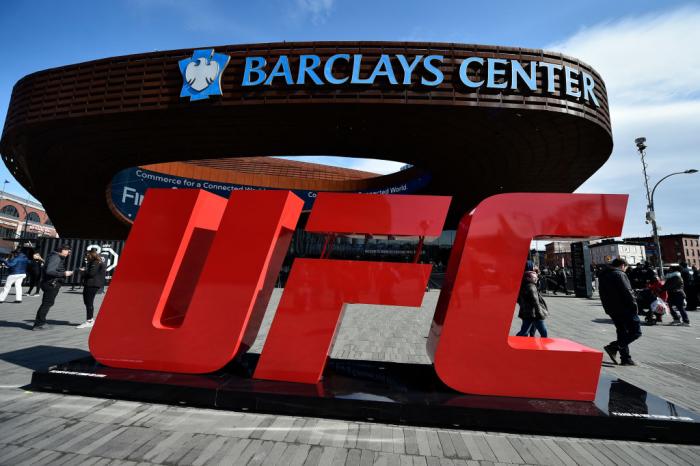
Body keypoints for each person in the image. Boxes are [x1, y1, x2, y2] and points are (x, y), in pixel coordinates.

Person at [599, 258, 642, 366]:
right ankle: (613, 347)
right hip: (625, 308)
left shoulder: (603, 275)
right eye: (626, 268)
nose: (626, 270)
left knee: (622, 332)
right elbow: (627, 291)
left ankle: (626, 358)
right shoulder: (620, 274)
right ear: (622, 265)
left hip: (612, 309)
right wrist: (634, 306)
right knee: (636, 332)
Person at [32, 244, 73, 330]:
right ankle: (39, 324)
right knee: (47, 304)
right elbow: (50, 271)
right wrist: (64, 274)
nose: (68, 253)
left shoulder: (54, 256)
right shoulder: (56, 257)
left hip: (49, 283)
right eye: (67, 251)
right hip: (51, 284)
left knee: (47, 303)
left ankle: (40, 322)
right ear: (62, 250)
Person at [76, 250, 106, 328]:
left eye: (86, 255)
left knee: (88, 302)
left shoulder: (95, 262)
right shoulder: (97, 262)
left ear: (91, 255)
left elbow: (91, 274)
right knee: (88, 302)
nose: (85, 257)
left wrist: (81, 271)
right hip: (93, 284)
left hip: (91, 285)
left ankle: (89, 321)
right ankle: (91, 320)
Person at [516, 268, 549, 337]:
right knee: (543, 332)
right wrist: (539, 313)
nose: (536, 279)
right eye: (534, 278)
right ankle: (543, 346)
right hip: (534, 313)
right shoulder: (531, 287)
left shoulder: (523, 286)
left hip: (526, 312)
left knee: (524, 331)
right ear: (529, 278)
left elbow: (518, 300)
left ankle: (516, 342)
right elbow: (535, 301)